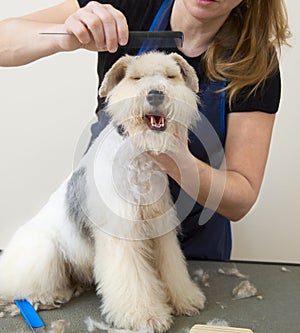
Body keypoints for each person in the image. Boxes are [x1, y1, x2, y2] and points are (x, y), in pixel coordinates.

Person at [0, 0, 290, 260]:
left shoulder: (254, 64)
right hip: (103, 245)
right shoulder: (130, 7)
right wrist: (65, 35)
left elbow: (241, 199)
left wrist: (174, 156)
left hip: (195, 253)